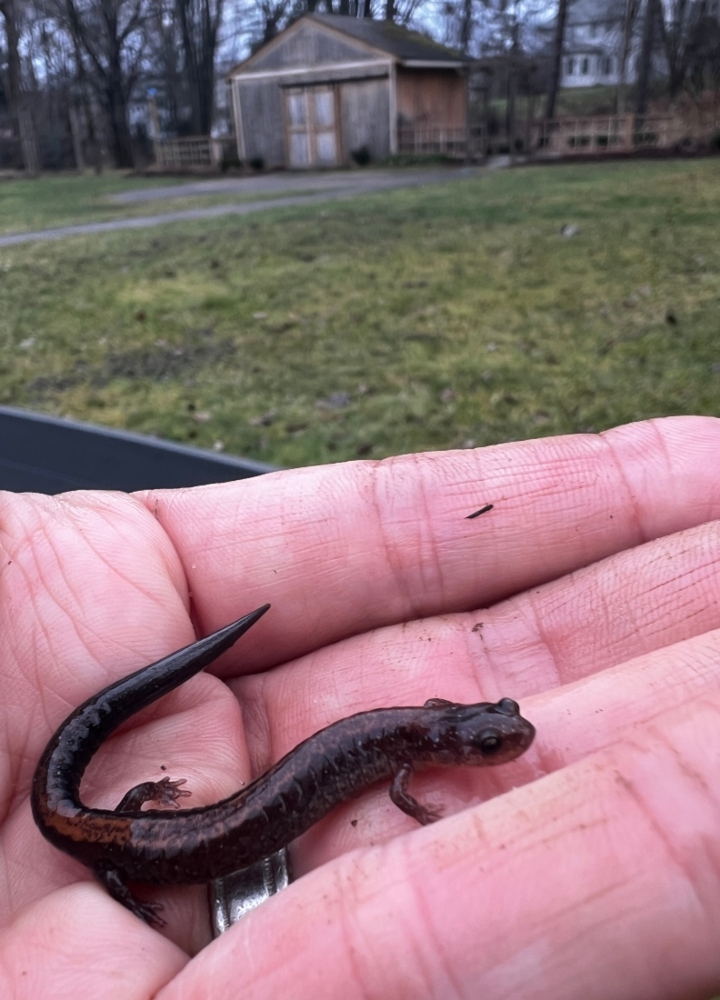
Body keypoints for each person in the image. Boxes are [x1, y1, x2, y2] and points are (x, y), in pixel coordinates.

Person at [2, 415, 720, 999]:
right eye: (493, 743)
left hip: (112, 824)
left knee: (119, 824)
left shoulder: (416, 732)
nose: (507, 743)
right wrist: (130, 885)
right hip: (114, 843)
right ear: (452, 742)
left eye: (496, 733)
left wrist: (147, 799)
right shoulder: (409, 753)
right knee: (119, 853)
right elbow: (407, 797)